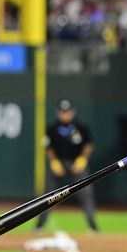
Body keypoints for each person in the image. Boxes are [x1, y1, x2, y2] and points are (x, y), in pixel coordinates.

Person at [35, 99, 98, 233]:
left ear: (73, 112)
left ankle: (93, 226)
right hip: (58, 163)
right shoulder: (52, 128)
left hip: (77, 163)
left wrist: (82, 160)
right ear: (58, 112)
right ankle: (39, 226)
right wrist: (54, 162)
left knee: (86, 192)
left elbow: (88, 145)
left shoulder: (81, 126)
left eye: (67, 112)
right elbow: (48, 147)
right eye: (62, 112)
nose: (65, 115)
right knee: (48, 196)